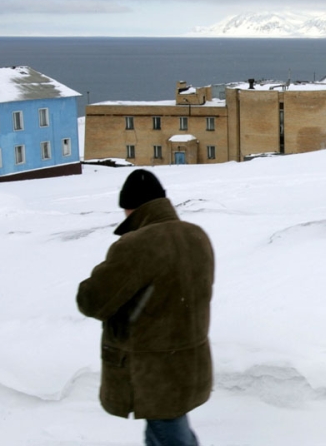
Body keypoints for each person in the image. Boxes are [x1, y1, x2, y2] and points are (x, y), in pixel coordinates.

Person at [77, 169, 214, 446]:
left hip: (154, 369)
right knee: (170, 429)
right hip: (189, 359)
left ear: (130, 208)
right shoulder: (196, 235)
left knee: (170, 435)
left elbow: (92, 301)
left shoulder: (136, 245)